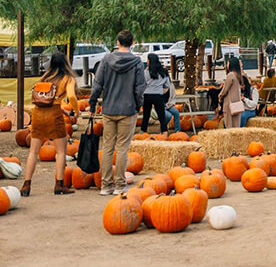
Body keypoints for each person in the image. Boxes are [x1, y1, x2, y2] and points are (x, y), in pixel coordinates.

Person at [89, 30, 146, 196]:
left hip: (109, 108)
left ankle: (105, 185)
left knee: (107, 146)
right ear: (132, 43)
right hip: (128, 109)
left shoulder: (106, 60)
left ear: (117, 42)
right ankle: (120, 185)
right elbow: (140, 87)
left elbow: (97, 84)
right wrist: (138, 104)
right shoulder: (136, 62)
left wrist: (92, 104)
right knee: (122, 148)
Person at [21, 51, 79, 196]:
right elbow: (71, 95)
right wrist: (75, 110)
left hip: (38, 113)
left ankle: (26, 185)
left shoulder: (45, 76)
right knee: (60, 151)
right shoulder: (68, 78)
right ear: (66, 63)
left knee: (33, 151)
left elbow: (44, 98)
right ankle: (59, 184)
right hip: (54, 115)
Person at [141, 54, 170, 134]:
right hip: (158, 95)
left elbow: (142, 83)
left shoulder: (146, 72)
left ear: (150, 61)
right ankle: (164, 132)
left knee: (146, 115)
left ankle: (143, 131)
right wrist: (161, 90)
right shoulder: (163, 72)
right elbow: (167, 85)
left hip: (147, 95)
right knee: (161, 115)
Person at [217, 57, 244, 128]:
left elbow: (225, 90)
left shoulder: (230, 75)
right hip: (237, 104)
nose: (227, 65)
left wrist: (220, 96)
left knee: (229, 126)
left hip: (229, 104)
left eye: (228, 63)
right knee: (236, 126)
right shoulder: (238, 75)